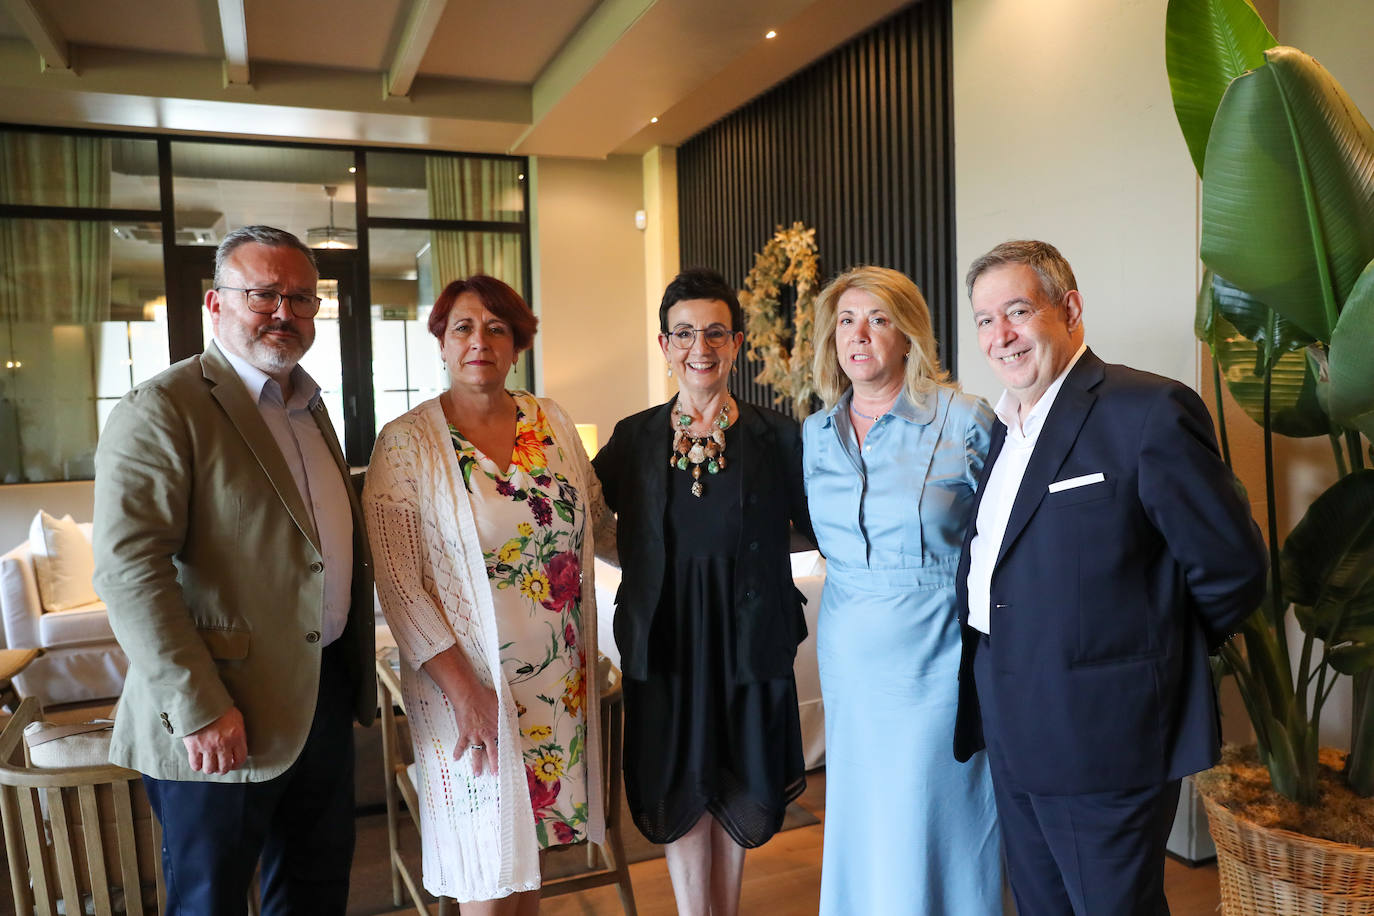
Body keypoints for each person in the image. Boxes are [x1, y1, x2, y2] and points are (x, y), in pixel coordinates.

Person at [955, 240, 1268, 915]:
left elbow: (1232, 568)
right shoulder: (1008, 427)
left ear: (1069, 309)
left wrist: (1148, 656)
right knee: (1042, 903)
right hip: (1012, 714)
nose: (1000, 336)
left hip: (1104, 728)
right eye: (984, 320)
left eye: (1017, 310)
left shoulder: (1146, 411)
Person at [93, 225, 376, 914]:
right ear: (215, 306)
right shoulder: (164, 406)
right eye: (265, 295)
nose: (286, 312)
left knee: (313, 892)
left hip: (321, 697)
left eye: (303, 298)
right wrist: (199, 709)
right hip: (221, 714)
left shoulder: (309, 406)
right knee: (208, 902)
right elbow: (130, 569)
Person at [363, 275, 610, 913]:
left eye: (497, 327)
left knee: (529, 871)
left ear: (517, 344)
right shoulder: (406, 442)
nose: (480, 341)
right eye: (464, 327)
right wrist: (467, 696)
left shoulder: (551, 421)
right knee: (486, 875)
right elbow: (400, 587)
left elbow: (598, 522)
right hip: (469, 689)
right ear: (441, 342)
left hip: (556, 688)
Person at [592, 267, 810, 916]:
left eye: (716, 333)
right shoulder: (635, 438)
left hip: (748, 635)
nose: (700, 347)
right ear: (664, 345)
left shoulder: (778, 436)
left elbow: (815, 526)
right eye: (684, 333)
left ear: (738, 343)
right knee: (679, 780)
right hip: (667, 641)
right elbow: (589, 520)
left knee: (738, 775)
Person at [801, 266, 1003, 914]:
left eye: (879, 319)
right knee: (864, 812)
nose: (860, 335)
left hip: (936, 649)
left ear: (909, 333)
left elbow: (1011, 533)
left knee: (933, 808)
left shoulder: (964, 418)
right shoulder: (813, 434)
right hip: (849, 653)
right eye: (847, 321)